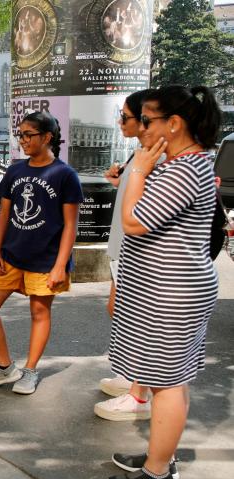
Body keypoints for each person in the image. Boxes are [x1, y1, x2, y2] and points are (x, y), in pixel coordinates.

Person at [105, 85, 221, 479]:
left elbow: (135, 222)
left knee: (169, 383)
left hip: (172, 292)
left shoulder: (185, 168)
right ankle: (161, 453)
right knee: (164, 379)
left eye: (147, 121)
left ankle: (158, 474)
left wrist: (137, 171)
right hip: (164, 289)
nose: (140, 130)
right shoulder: (180, 163)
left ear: (173, 124)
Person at [0, 111, 83, 395]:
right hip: (11, 254)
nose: (22, 140)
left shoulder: (65, 175)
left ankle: (30, 370)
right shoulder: (16, 170)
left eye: (28, 135)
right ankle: (5, 367)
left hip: (46, 259)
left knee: (39, 311)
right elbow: (5, 215)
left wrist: (61, 266)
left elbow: (71, 225)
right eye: (19, 135)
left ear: (47, 137)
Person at [95, 89, 155, 421]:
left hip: (137, 250)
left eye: (126, 117)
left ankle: (138, 392)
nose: (120, 123)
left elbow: (145, 213)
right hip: (123, 247)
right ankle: (132, 379)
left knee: (134, 316)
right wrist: (121, 181)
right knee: (120, 309)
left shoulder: (154, 156)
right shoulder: (142, 152)